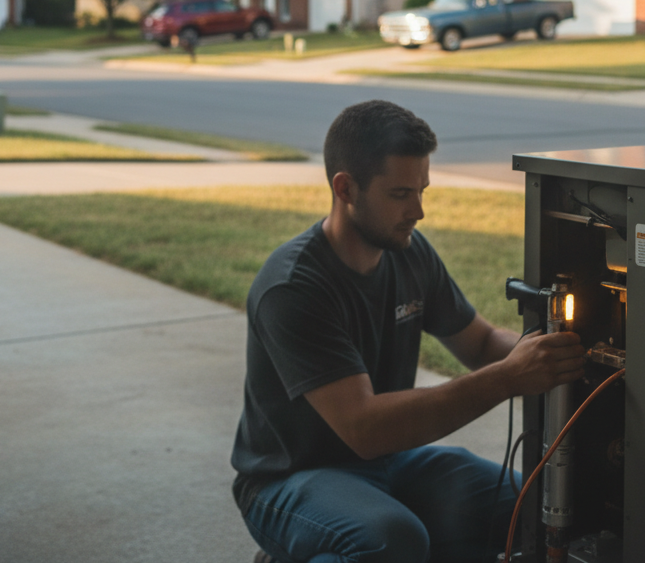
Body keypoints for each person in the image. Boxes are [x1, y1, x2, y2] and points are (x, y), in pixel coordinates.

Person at [231, 99, 585, 563]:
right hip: (289, 479)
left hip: (386, 463)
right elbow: (365, 427)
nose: (418, 211)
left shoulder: (410, 253)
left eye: (423, 190)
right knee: (388, 540)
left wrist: (547, 352)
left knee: (530, 504)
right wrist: (507, 378)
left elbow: (478, 343)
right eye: (400, 194)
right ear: (346, 188)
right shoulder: (294, 286)